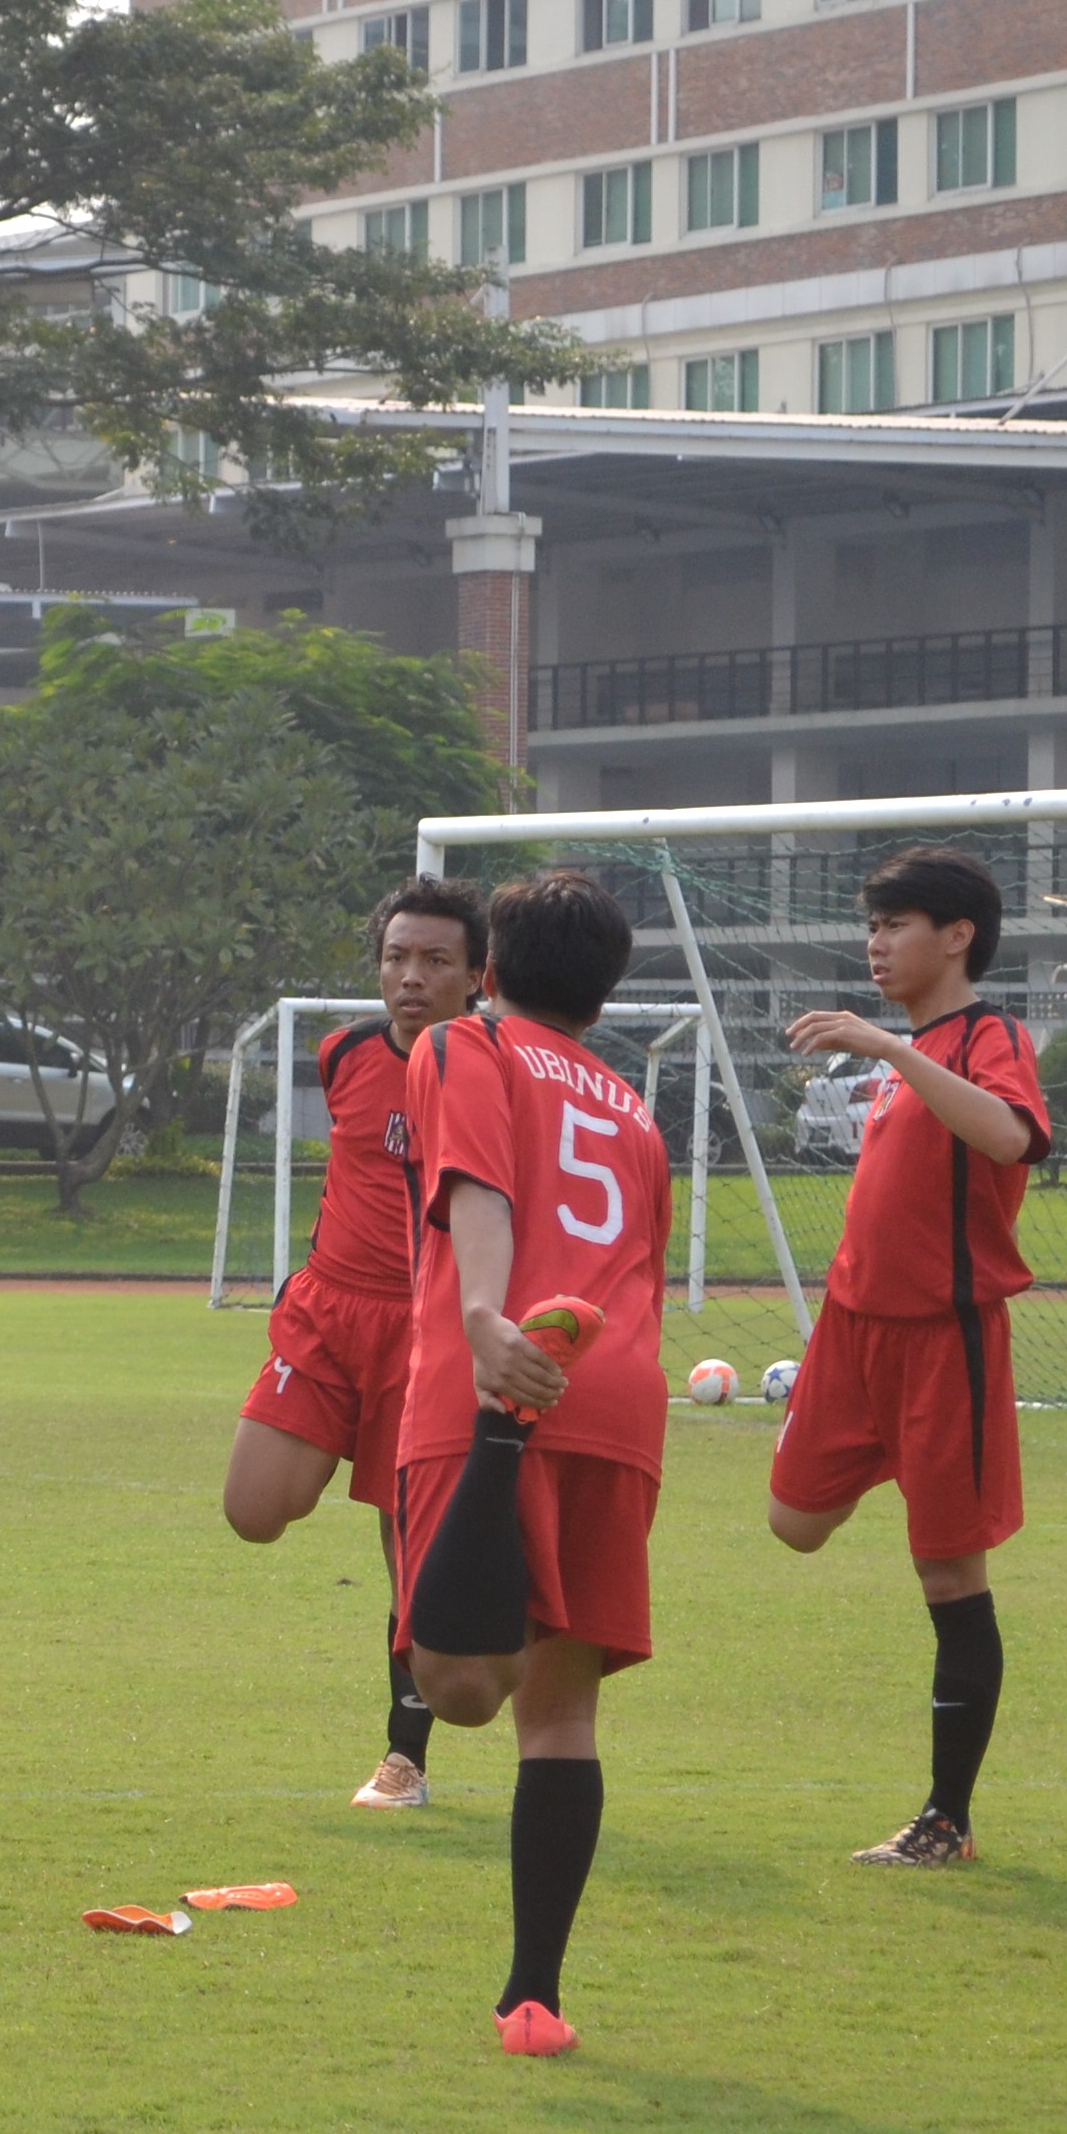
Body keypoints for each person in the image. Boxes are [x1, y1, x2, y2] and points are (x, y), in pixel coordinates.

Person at [390, 871, 669, 2058]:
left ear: (488, 969)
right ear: (604, 1000)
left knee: (456, 1689)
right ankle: (533, 1999)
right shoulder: (634, 1106)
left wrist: (490, 1328)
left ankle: (498, 1461)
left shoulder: (468, 1046)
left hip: (503, 1375)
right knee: (563, 1712)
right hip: (621, 1398)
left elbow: (481, 1192)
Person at [764, 846, 1051, 1870]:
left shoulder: (986, 1036)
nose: (876, 944)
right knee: (793, 1523)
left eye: (895, 925)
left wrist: (893, 1051)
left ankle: (946, 1821)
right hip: (854, 1334)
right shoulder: (909, 1053)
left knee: (949, 1572)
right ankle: (899, 1462)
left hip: (948, 1339)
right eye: (872, 926)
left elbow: (1013, 1139)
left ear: (958, 936)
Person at [222, 878, 488, 1809]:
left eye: (435, 961)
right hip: (330, 1314)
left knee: (404, 1550)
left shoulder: (491, 1072)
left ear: (476, 977)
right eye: (396, 958)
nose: (411, 977)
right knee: (254, 1507)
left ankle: (403, 1760)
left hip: (430, 1333)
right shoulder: (344, 1053)